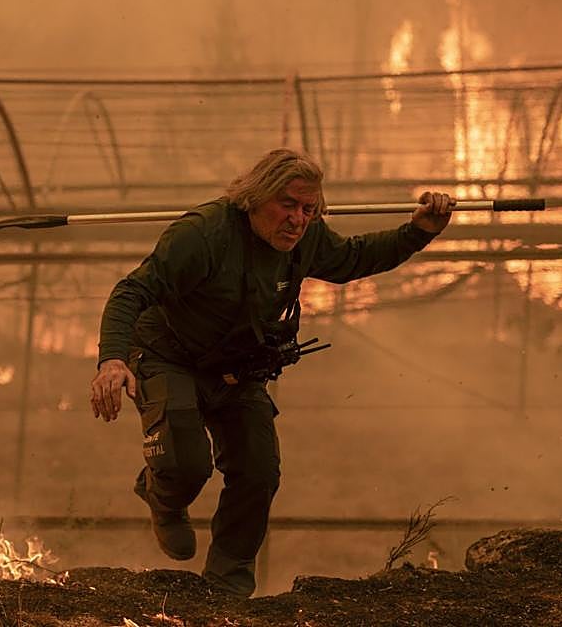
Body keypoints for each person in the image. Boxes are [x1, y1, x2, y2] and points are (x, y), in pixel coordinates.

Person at [89, 148, 454, 598]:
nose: (297, 220)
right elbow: (131, 291)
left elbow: (355, 258)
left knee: (259, 471)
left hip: (238, 369)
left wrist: (418, 233)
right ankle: (162, 496)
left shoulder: (307, 238)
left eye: (308, 209)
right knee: (184, 463)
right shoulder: (202, 235)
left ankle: (227, 586)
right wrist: (112, 360)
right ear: (255, 197)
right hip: (169, 357)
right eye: (287, 204)